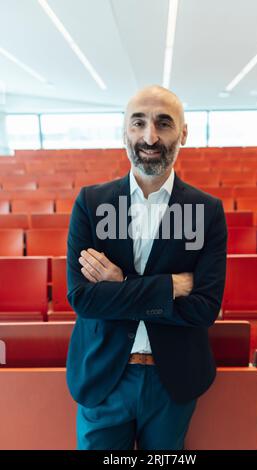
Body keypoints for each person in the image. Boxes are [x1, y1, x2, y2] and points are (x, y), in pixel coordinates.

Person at [66, 85, 228, 450]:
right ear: (124, 130)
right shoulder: (91, 204)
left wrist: (120, 282)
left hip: (173, 381)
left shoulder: (207, 212)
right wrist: (170, 287)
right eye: (138, 123)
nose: (149, 136)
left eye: (163, 123)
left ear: (183, 133)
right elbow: (84, 299)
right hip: (104, 377)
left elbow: (204, 308)